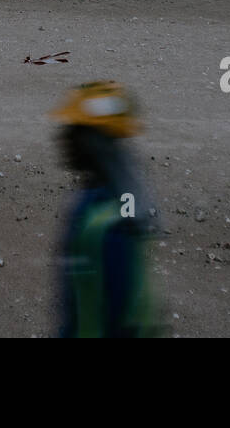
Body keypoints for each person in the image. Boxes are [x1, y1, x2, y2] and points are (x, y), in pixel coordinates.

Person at [51, 80, 163, 338]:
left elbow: (114, 309)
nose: (63, 139)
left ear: (94, 142)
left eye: (74, 130)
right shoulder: (125, 200)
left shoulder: (105, 222)